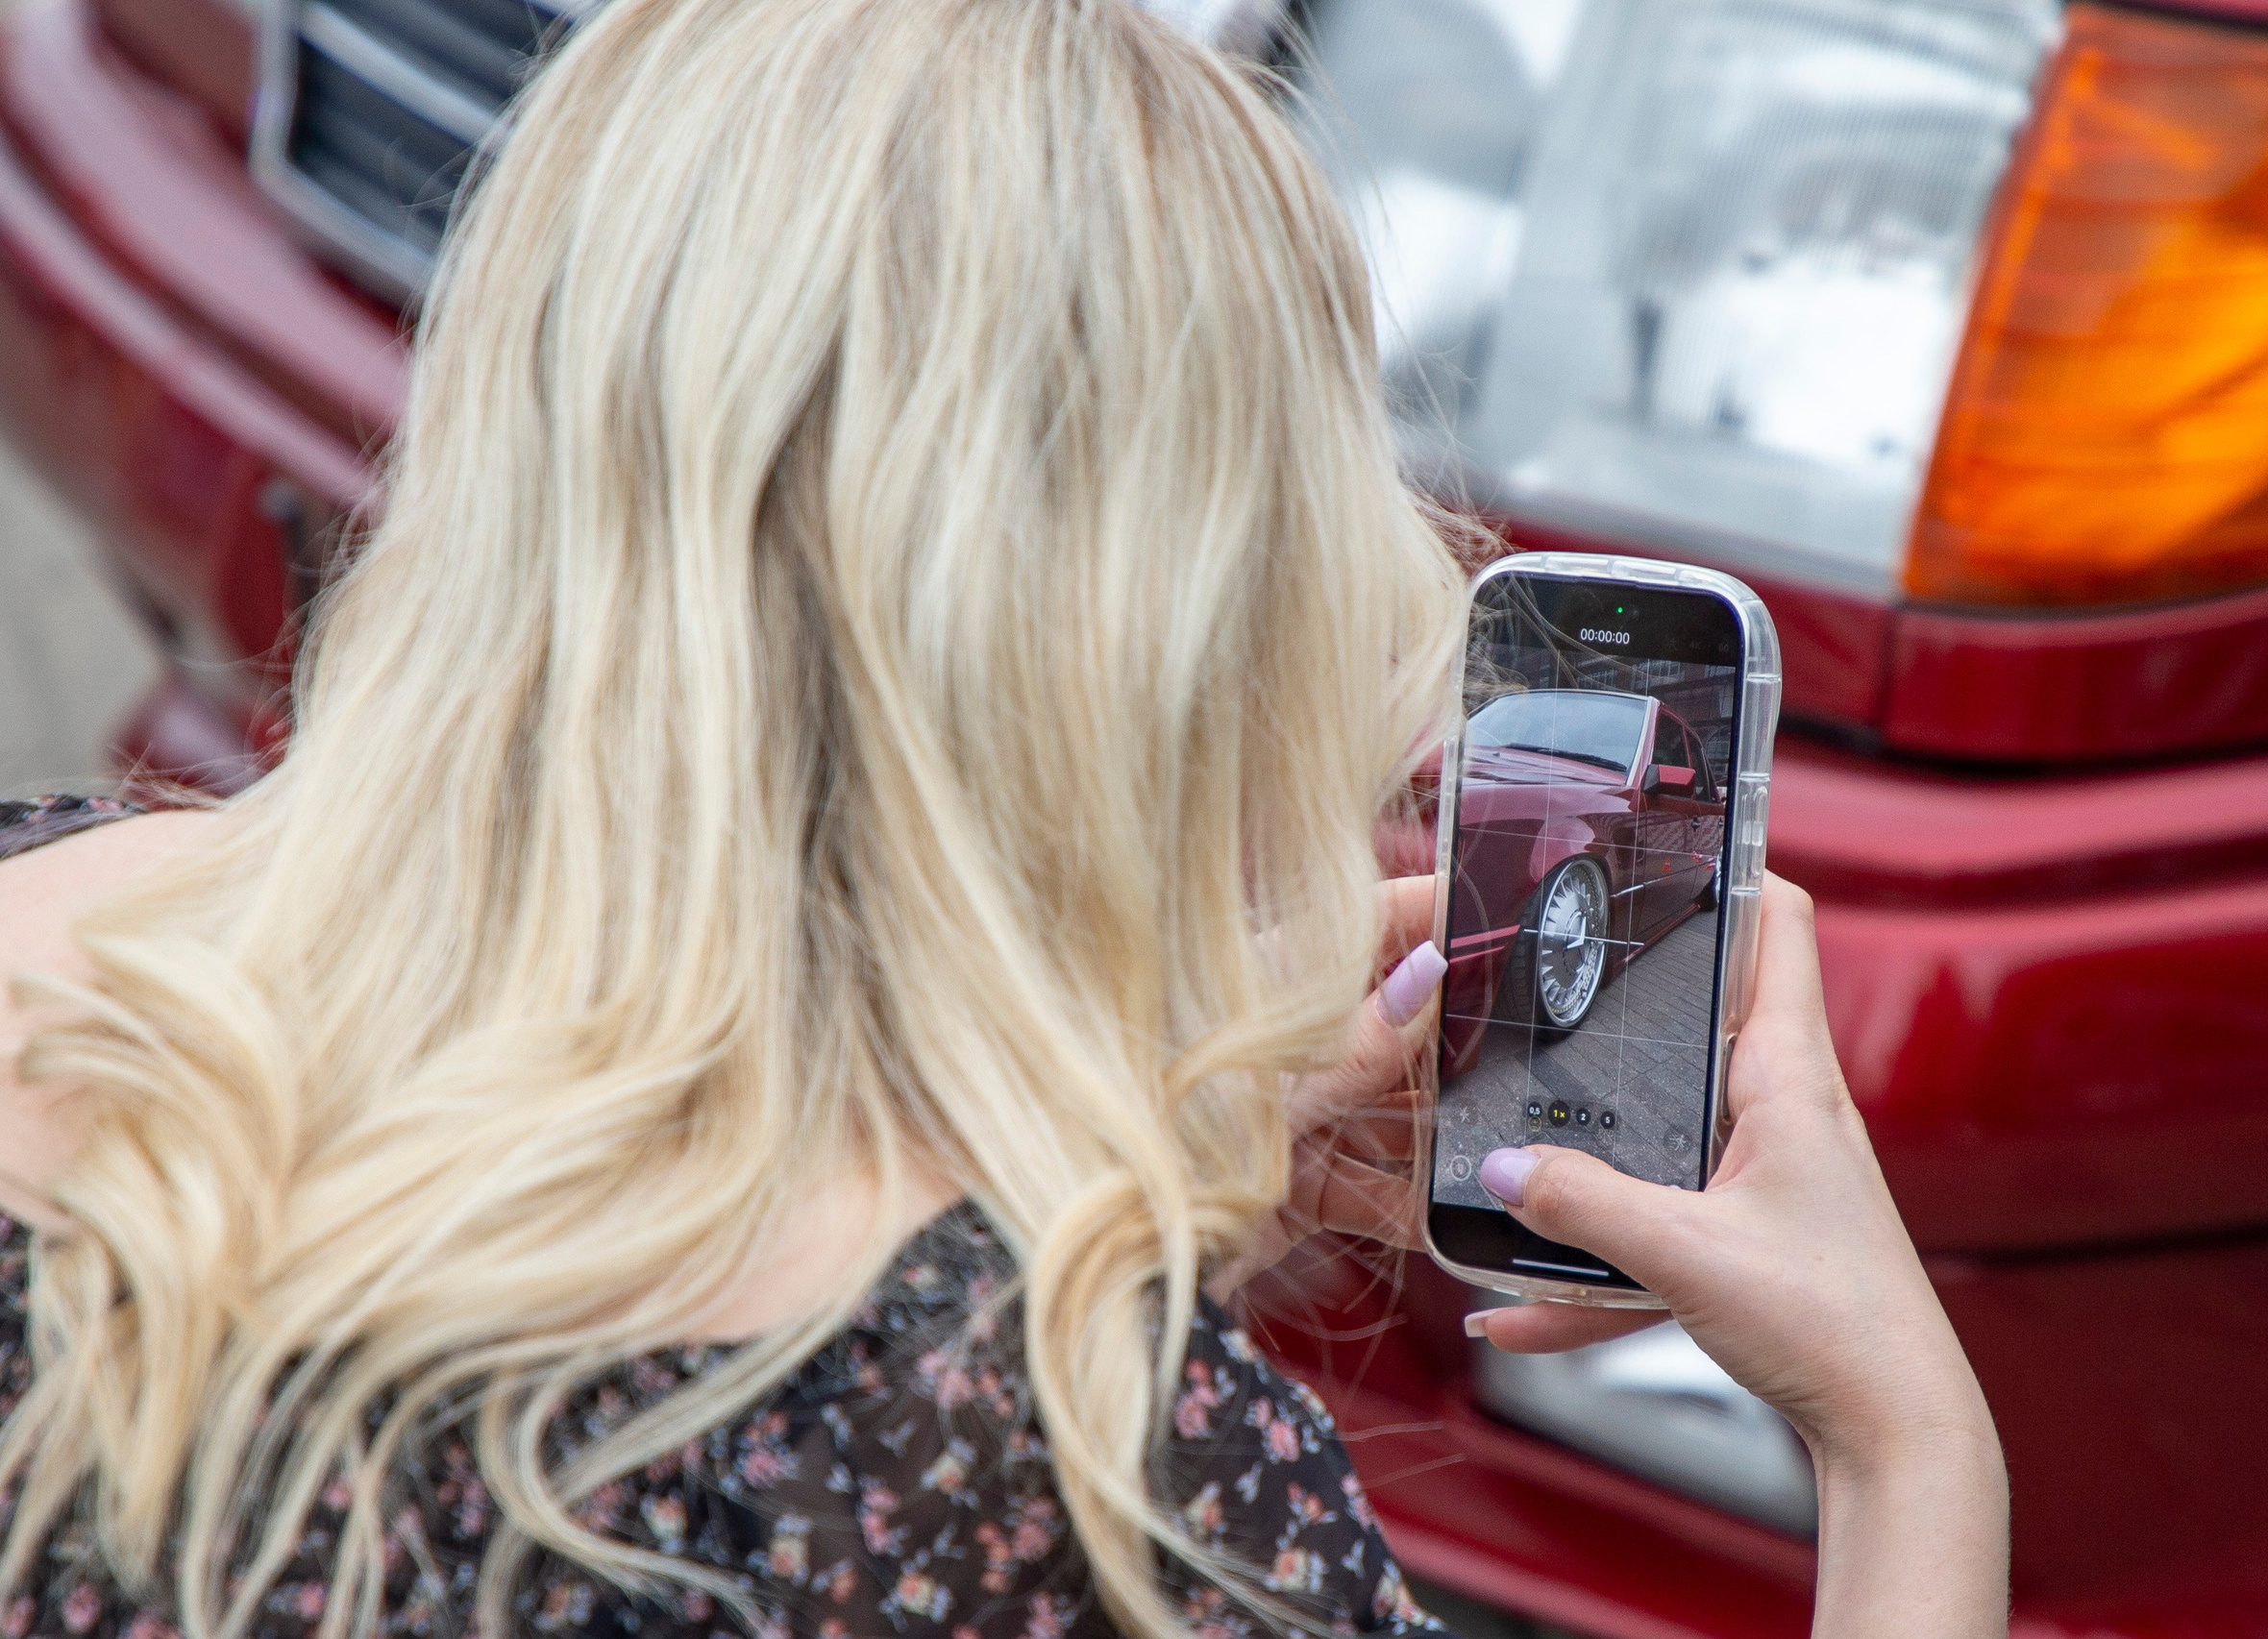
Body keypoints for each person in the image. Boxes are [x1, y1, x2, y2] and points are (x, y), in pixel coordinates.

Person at [0, 2, 2006, 1637]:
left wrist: (1114, 1163)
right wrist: (1906, 1449)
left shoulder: (40, 882)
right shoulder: (1063, 1486)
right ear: (1178, 642)